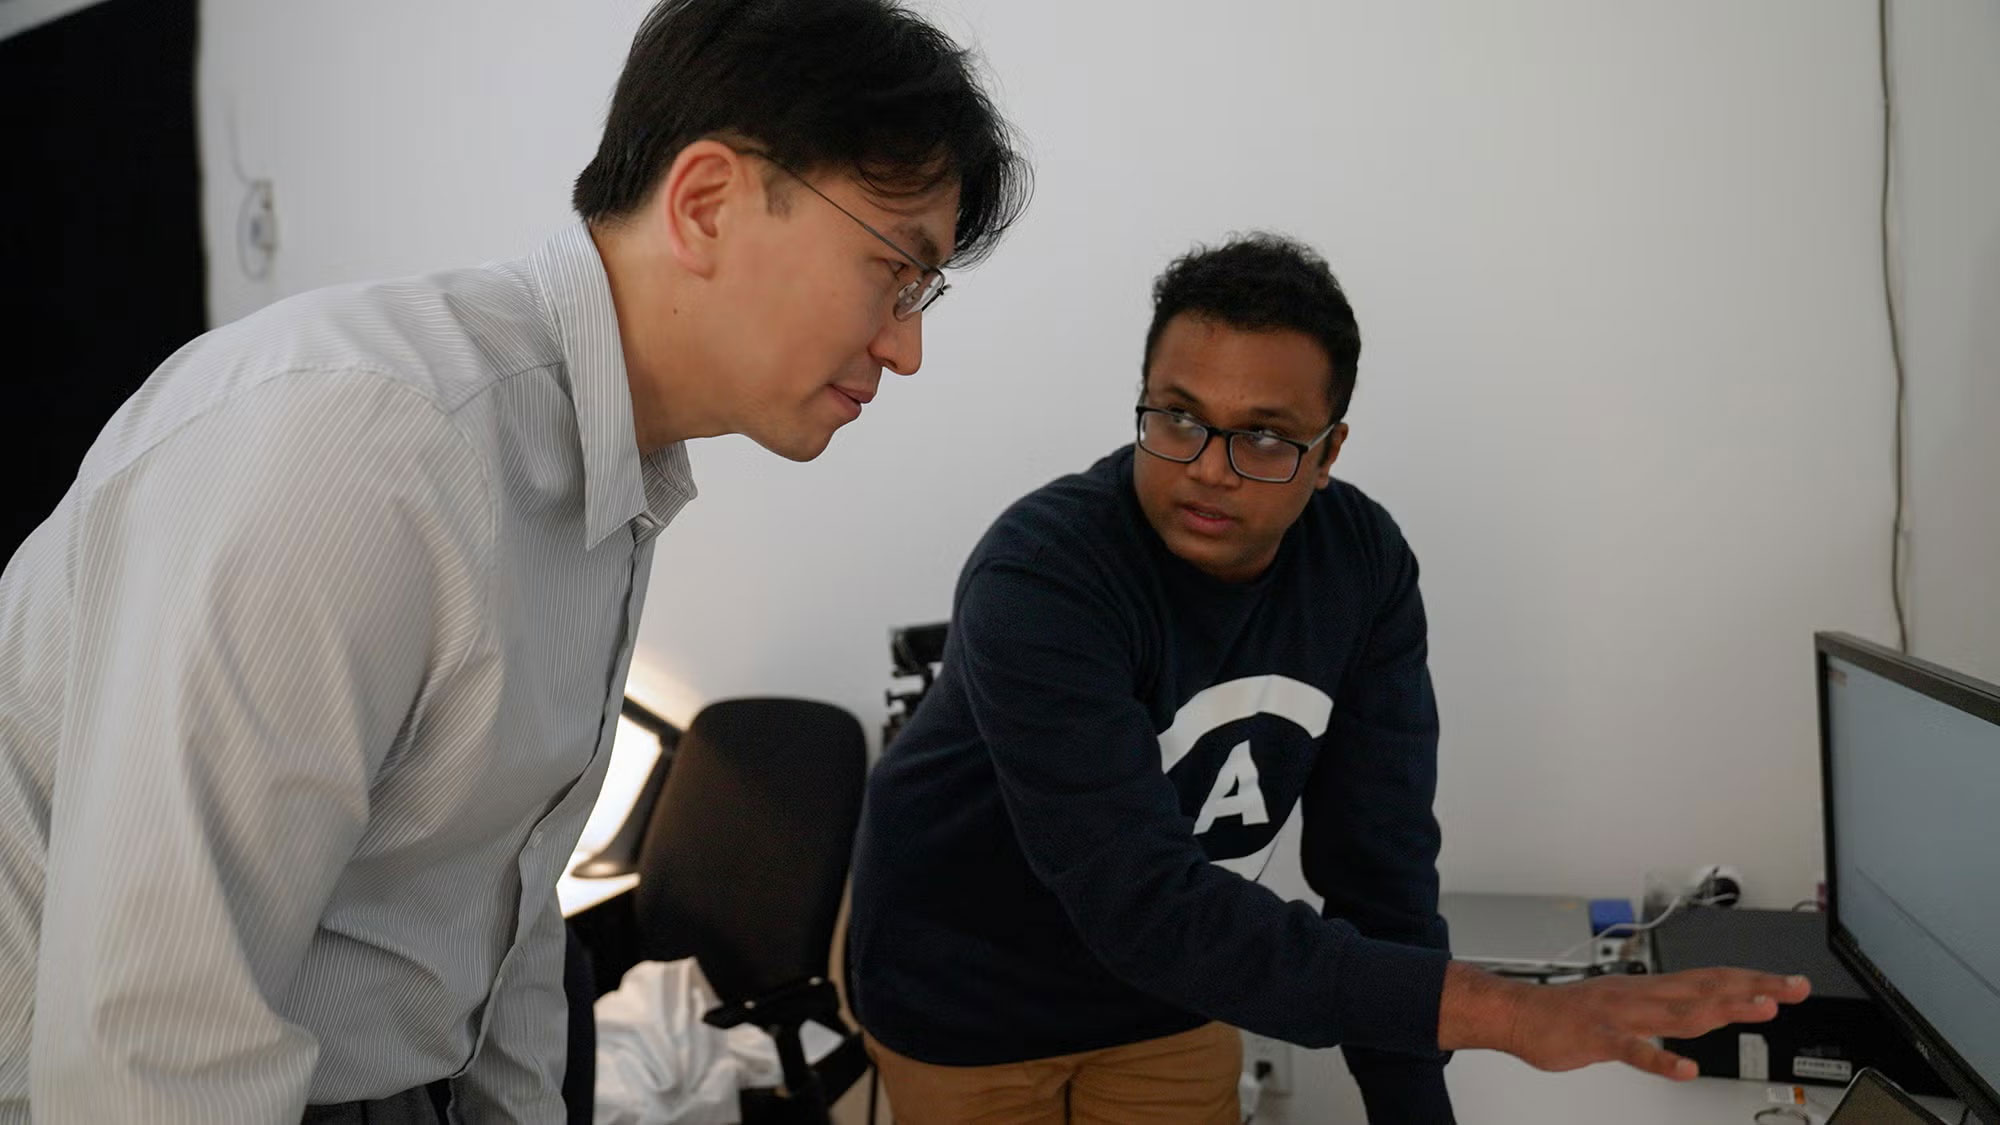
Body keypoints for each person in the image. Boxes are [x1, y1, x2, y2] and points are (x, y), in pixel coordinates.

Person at [0, 0, 1027, 1120]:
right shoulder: (363, 443)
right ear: (706, 203)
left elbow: (503, 892)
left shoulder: (604, 462)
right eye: (893, 270)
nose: (906, 345)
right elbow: (152, 1048)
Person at [845, 234, 1810, 1124]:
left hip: (1170, 990)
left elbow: (1379, 869)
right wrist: (1507, 1014)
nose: (1210, 469)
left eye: (1265, 436)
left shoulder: (1361, 565)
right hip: (963, 985)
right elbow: (1138, 902)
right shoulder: (1046, 574)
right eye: (1178, 417)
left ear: (1328, 453)